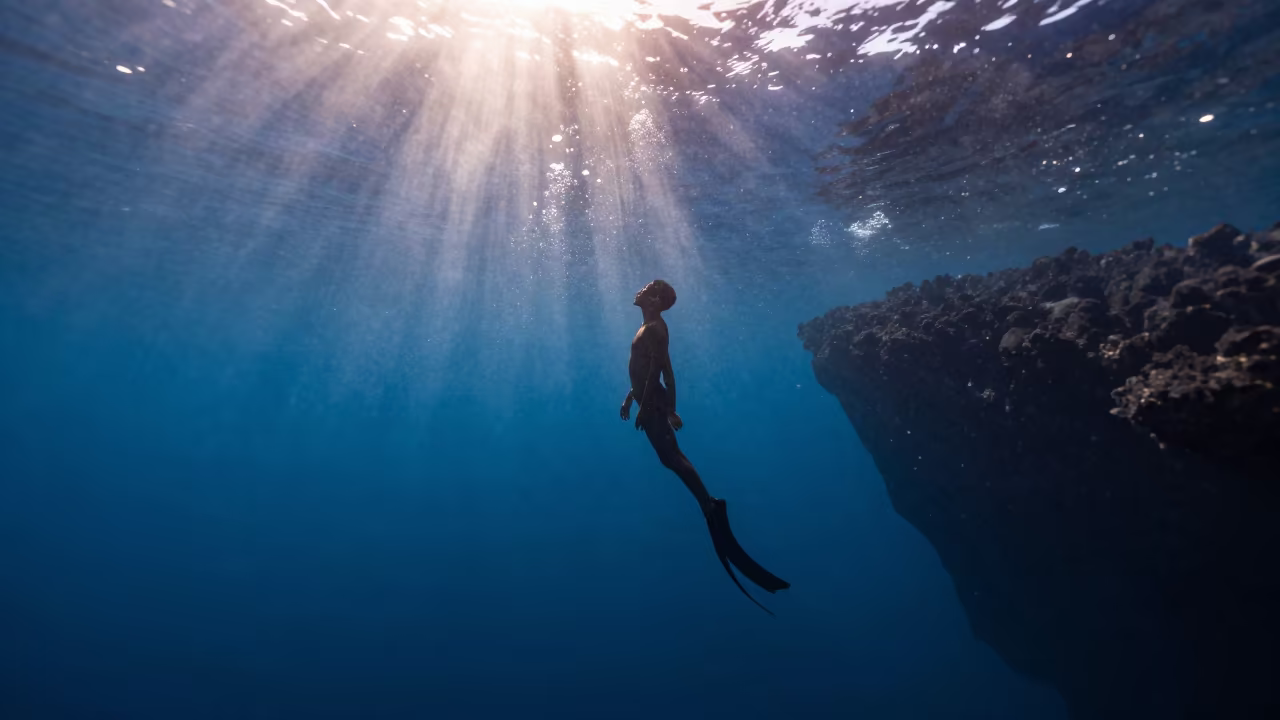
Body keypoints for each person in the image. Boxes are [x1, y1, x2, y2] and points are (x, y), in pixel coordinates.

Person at [620, 279, 790, 614]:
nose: (638, 290)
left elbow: (662, 371)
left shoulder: (657, 328)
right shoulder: (647, 327)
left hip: (652, 405)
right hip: (648, 402)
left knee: (673, 456)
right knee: (668, 459)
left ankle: (709, 504)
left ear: (654, 299)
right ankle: (707, 503)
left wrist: (661, 409)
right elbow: (644, 369)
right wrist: (629, 397)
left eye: (645, 288)